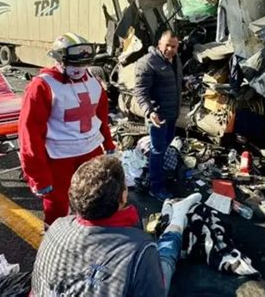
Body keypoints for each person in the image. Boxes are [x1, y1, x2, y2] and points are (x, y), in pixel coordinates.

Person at [31, 155, 202, 296]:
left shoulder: (57, 226)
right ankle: (177, 220)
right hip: (138, 256)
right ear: (123, 196)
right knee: (164, 258)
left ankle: (170, 216)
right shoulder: (139, 248)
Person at [18, 32, 115, 226]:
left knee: (94, 198)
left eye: (83, 64)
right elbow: (29, 134)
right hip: (58, 157)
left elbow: (101, 117)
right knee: (58, 206)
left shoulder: (93, 83)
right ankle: (55, 243)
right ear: (59, 60)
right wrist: (38, 176)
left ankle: (90, 237)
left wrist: (108, 142)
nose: (79, 69)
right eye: (74, 64)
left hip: (91, 152)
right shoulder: (42, 86)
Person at [135, 30, 182, 201]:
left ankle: (155, 170)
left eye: (174, 46)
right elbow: (140, 92)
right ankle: (156, 187)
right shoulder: (147, 63)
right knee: (157, 150)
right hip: (158, 117)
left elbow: (174, 83)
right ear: (159, 44)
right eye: (167, 45)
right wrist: (150, 112)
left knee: (165, 146)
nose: (170, 49)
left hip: (172, 114)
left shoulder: (176, 59)